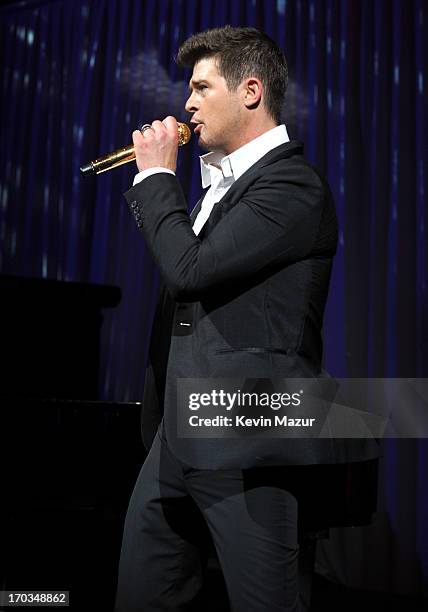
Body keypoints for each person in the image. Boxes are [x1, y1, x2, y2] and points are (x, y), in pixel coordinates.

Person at [115, 25, 379, 612]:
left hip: (247, 440)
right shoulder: (220, 186)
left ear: (251, 91)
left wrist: (157, 176)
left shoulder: (291, 186)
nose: (186, 103)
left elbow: (188, 269)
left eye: (201, 87)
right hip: (176, 438)